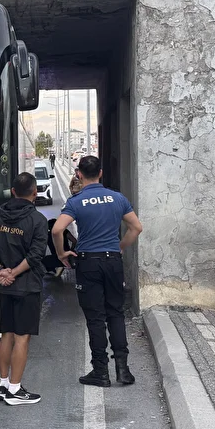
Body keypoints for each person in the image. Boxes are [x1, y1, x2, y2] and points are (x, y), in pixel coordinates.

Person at [51, 155, 143, 388]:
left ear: (79, 174)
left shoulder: (76, 201)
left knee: (95, 317)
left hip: (89, 263)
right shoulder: (117, 198)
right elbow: (136, 227)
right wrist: (120, 247)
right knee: (116, 313)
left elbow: (57, 230)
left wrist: (61, 254)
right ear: (100, 173)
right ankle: (123, 370)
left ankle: (100, 371)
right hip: (113, 261)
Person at [0, 172, 48, 405]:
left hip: (4, 287)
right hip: (27, 286)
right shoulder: (38, 220)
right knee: (22, 338)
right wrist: (14, 273)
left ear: (13, 192)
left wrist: (1, 271)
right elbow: (36, 255)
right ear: (34, 193)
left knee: (6, 334)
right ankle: (16, 390)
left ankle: (3, 384)